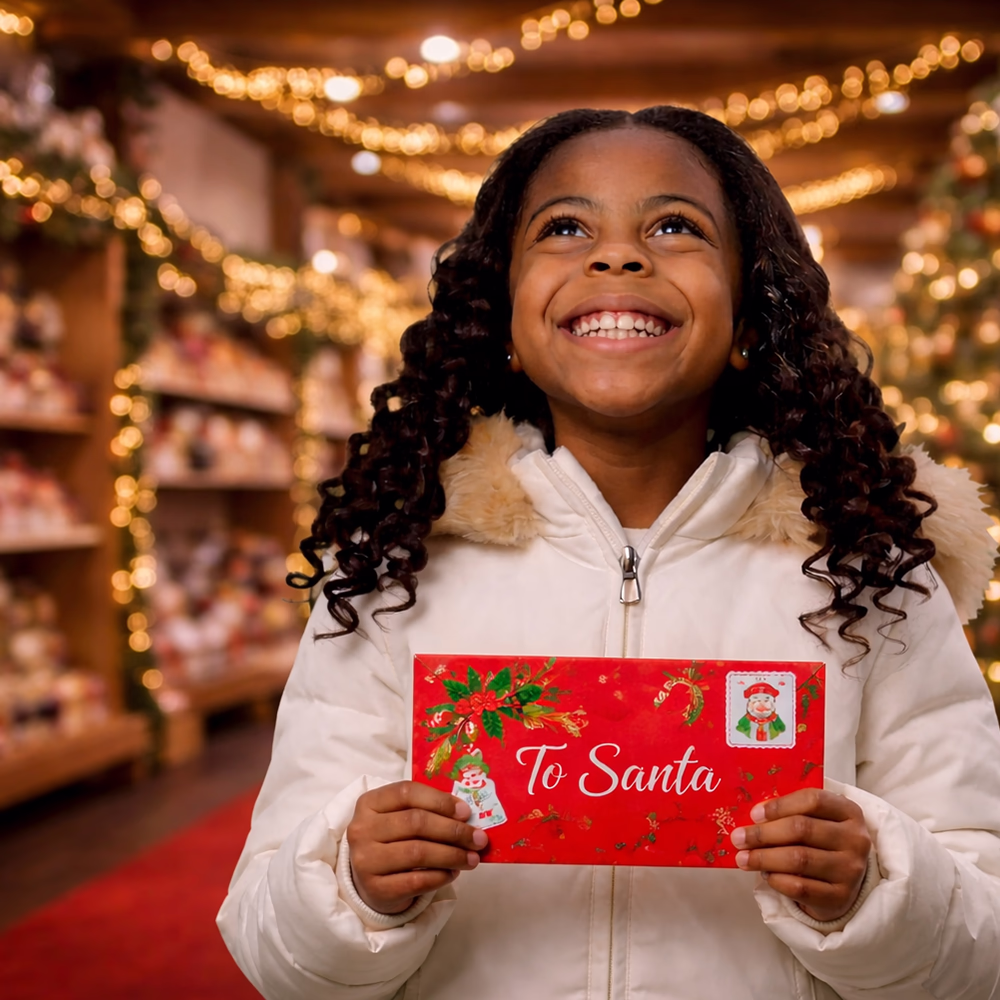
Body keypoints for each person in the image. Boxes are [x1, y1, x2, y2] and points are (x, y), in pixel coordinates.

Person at [217, 106, 1000, 999]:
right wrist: (351, 885)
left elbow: (983, 945)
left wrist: (877, 891)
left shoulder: (871, 577)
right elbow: (269, 949)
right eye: (564, 227)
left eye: (675, 226)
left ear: (752, 310)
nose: (618, 256)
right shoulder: (396, 571)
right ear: (501, 319)